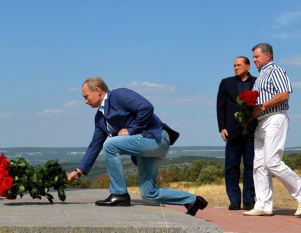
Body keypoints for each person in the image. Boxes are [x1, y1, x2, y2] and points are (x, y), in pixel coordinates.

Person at [65, 77, 208, 216]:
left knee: (110, 145)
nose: (85, 101)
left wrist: (131, 129)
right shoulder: (100, 118)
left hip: (155, 138)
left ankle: (119, 193)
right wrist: (78, 171)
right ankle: (193, 201)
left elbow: (146, 107)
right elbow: (95, 145)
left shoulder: (119, 95)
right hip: (145, 150)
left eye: (86, 96)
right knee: (148, 193)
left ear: (97, 90)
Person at [243, 43, 301, 217]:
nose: (254, 60)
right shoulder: (260, 77)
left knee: (272, 161)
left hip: (275, 118)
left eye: (256, 57)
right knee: (258, 165)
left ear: (267, 56)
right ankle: (264, 204)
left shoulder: (276, 71)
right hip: (261, 122)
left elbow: (284, 94)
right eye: (253, 57)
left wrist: (263, 106)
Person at [216, 56, 257, 210]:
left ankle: (248, 200)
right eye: (234, 65)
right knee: (231, 166)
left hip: (252, 131)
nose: (235, 68)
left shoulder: (257, 82)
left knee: (250, 166)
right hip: (232, 131)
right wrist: (222, 127)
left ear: (248, 67)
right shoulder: (226, 83)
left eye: (239, 65)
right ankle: (234, 200)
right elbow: (220, 107)